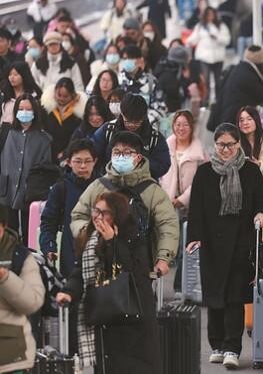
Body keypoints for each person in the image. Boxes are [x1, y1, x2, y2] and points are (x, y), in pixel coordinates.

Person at [187, 123, 263, 368]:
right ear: (214, 145)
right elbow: (197, 210)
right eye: (221, 145)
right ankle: (217, 345)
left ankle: (233, 348)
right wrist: (195, 237)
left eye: (231, 145)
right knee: (214, 298)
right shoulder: (204, 173)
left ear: (238, 145)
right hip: (212, 244)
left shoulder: (249, 171)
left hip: (241, 241)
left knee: (235, 298)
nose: (226, 150)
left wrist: (261, 215)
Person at [56, 191, 161, 372]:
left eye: (105, 213)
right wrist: (69, 291)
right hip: (101, 314)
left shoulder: (134, 237)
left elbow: (135, 273)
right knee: (106, 365)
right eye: (96, 211)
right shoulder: (90, 237)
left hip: (131, 317)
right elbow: (80, 271)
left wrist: (112, 242)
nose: (98, 217)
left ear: (117, 215)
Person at [71, 130, 179, 278]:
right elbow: (78, 215)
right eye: (116, 152)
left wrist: (164, 258)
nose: (121, 157)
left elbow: (168, 224)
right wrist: (91, 233)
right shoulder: (98, 186)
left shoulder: (152, 190)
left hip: (140, 263)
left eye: (127, 153)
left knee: (137, 300)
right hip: (101, 259)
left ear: (138, 157)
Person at [40, 139, 98, 278]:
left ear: (95, 161)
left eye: (87, 161)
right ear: (69, 162)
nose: (83, 166)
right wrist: (49, 247)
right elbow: (48, 221)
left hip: (99, 253)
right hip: (70, 253)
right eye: (78, 161)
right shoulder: (61, 188)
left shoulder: (103, 186)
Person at [0, 94, 52, 241]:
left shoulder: (44, 139)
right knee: (8, 233)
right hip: (6, 190)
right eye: (21, 108)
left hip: (30, 193)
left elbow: (45, 170)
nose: (24, 112)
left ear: (35, 112)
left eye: (28, 109)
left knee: (30, 236)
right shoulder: (5, 132)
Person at [0, 203, 45, 374]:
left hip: (11, 357)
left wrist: (5, 278)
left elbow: (32, 302)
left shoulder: (21, 256)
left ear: (4, 226)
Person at [160, 110, 209, 218]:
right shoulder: (164, 149)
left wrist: (182, 200)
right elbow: (160, 177)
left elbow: (203, 180)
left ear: (192, 127)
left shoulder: (200, 154)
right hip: (167, 206)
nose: (181, 128)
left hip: (193, 206)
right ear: (173, 126)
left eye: (186, 124)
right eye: (178, 124)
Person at [209, 46, 263, 130]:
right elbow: (262, 95)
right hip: (233, 118)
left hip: (228, 115)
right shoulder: (248, 74)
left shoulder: (241, 68)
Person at [118, 44, 166, 127]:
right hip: (122, 127)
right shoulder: (118, 80)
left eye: (130, 58)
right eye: (125, 59)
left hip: (146, 127)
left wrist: (141, 122)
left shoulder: (151, 81)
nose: (127, 61)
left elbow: (160, 108)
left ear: (140, 60)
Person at [186, 7, 230, 98]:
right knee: (205, 80)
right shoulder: (200, 27)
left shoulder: (221, 26)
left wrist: (217, 38)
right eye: (208, 14)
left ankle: (218, 99)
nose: (210, 16)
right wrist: (187, 42)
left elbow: (227, 40)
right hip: (204, 56)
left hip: (218, 57)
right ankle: (206, 100)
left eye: (212, 14)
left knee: (218, 80)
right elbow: (193, 38)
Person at [41, 77, 86, 162]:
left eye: (65, 96)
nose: (61, 98)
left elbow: (76, 138)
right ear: (54, 92)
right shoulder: (46, 110)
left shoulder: (78, 115)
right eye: (59, 95)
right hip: (47, 153)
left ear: (72, 95)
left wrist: (66, 153)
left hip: (68, 156)